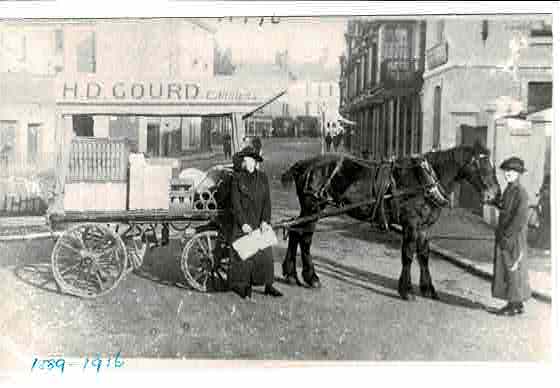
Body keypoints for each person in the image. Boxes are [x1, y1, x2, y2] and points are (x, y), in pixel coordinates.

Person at [229, 146, 283, 299]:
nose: (247, 163)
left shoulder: (263, 178)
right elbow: (235, 204)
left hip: (259, 220)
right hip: (244, 223)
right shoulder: (237, 178)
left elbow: (267, 202)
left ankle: (268, 285)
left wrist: (265, 221)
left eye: (250, 160)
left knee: (265, 255)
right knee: (246, 256)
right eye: (245, 160)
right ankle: (246, 287)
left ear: (255, 161)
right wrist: (243, 223)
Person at [490, 156, 532, 316]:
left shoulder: (521, 192)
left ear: (518, 174)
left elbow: (520, 218)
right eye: (506, 171)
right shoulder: (509, 189)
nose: (507, 174)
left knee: (513, 269)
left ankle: (513, 305)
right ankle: (517, 303)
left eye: (511, 171)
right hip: (507, 236)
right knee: (510, 269)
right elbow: (505, 209)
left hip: (513, 237)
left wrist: (507, 237)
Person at [282, 190, 322, 289]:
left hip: (317, 188)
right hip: (311, 187)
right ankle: (307, 273)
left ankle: (291, 269)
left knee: (308, 223)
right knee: (308, 223)